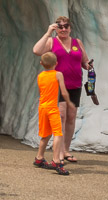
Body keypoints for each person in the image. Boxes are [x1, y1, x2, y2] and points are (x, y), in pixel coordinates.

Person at [32, 16, 90, 162]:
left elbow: (85, 61)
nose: (63, 29)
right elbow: (36, 51)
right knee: (61, 116)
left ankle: (65, 150)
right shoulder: (52, 41)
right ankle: (57, 153)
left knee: (71, 117)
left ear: (70, 28)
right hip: (58, 86)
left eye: (66, 26)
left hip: (75, 85)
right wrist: (48, 33)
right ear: (56, 28)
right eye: (60, 26)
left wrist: (89, 66)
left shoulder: (77, 42)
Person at [33, 52, 75, 174]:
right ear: (56, 63)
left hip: (42, 107)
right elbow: (64, 91)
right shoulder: (58, 74)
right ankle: (56, 161)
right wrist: (69, 103)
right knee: (58, 133)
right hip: (52, 108)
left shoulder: (40, 76)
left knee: (45, 134)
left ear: (41, 63)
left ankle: (39, 158)